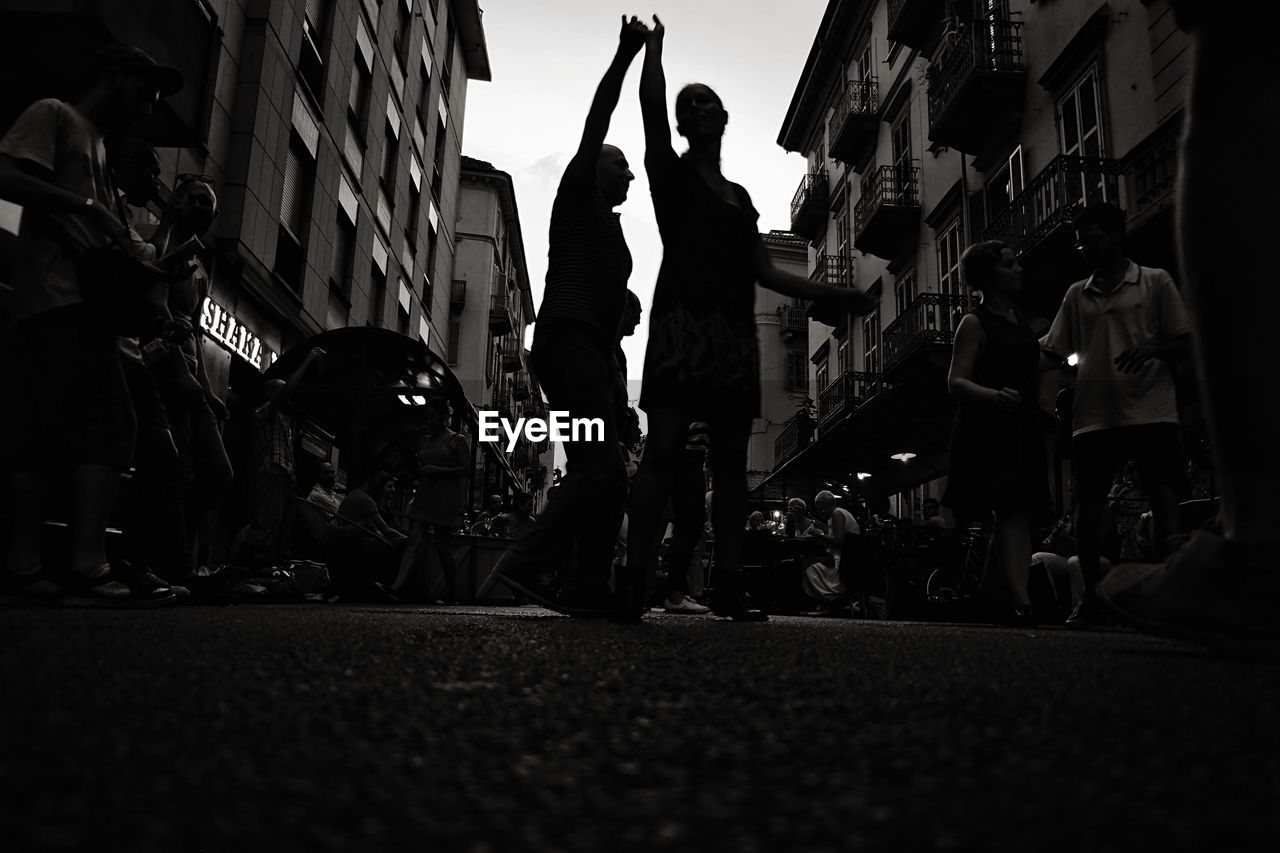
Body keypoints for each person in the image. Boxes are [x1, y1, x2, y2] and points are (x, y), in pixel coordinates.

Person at [621, 16, 876, 622]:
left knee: (732, 464)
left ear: (723, 116)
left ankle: (728, 583)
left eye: (707, 100)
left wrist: (833, 295)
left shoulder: (740, 197)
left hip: (733, 334)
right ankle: (633, 579)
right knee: (662, 450)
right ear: (685, 123)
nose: (699, 107)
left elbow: (766, 270)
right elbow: (651, 113)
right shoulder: (672, 174)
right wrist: (652, 53)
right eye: (691, 103)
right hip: (685, 324)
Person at [1100, 6, 1280, 655]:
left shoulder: (1149, 282)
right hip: (1110, 415)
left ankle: (1258, 543)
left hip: (1146, 412)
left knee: (1239, 51)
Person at [0, 44, 184, 606]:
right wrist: (87, 210)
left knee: (45, 434)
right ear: (116, 77)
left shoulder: (100, 146)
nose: (150, 106)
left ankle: (30, 566)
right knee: (108, 423)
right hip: (57, 301)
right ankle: (83, 563)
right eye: (147, 90)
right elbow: (5, 176)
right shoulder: (54, 114)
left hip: (79, 305)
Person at [495, 17, 649, 617]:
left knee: (608, 474)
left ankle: (587, 586)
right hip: (568, 342)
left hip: (589, 352)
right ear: (594, 167)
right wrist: (624, 54)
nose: (629, 174)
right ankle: (526, 563)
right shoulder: (578, 193)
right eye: (621, 164)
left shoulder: (609, 227)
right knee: (595, 467)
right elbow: (599, 117)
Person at [1041, 202, 1191, 629]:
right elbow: (1051, 350)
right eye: (1080, 241)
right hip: (1094, 415)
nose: (1085, 248)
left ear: (1116, 234)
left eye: (1092, 238)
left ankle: (1174, 592)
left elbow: (1183, 341)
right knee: (1087, 503)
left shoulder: (1155, 282)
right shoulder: (1076, 294)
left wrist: (1152, 348)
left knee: (1162, 493)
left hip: (1150, 409)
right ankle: (1091, 594)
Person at [944, 241, 1052, 626]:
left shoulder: (1017, 317)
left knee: (1018, 510)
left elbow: (1033, 362)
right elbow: (956, 381)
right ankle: (1020, 599)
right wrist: (994, 396)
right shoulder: (974, 323)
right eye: (1010, 264)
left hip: (1019, 424)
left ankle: (999, 597)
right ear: (990, 276)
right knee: (1010, 509)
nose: (1019, 268)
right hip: (988, 428)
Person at [235, 348, 325, 567]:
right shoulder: (264, 413)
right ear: (271, 394)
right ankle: (244, 559)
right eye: (283, 391)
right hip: (272, 475)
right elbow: (287, 391)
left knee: (279, 525)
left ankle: (265, 565)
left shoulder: (283, 420)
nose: (288, 395)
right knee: (268, 522)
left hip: (283, 478)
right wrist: (308, 360)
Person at [381, 397, 470, 604]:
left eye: (432, 416)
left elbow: (466, 470)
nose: (429, 421)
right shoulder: (423, 440)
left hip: (445, 499)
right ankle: (397, 587)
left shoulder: (457, 440)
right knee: (413, 542)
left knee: (442, 546)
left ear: (443, 416)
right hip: (424, 495)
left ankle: (451, 593)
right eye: (427, 417)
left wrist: (437, 470)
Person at [800, 491, 859, 613]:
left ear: (822, 507)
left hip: (842, 562)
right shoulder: (842, 512)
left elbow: (839, 540)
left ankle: (827, 600)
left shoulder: (836, 514)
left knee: (808, 566)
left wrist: (820, 534)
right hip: (849, 558)